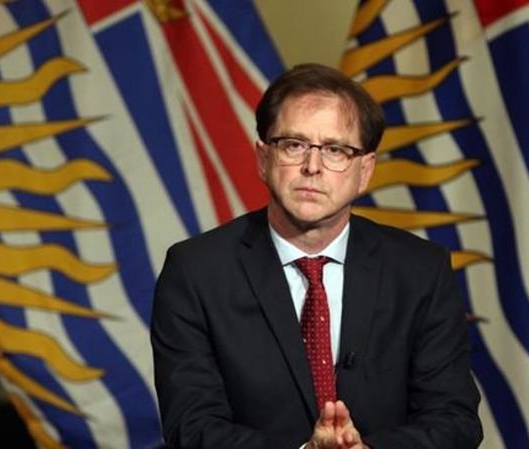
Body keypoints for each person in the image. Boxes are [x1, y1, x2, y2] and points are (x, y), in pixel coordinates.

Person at [151, 63, 482, 449]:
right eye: (294, 145)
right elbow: (191, 425)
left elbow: (454, 419)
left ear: (364, 171)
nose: (312, 167)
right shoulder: (196, 272)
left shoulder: (420, 271)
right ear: (263, 159)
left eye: (335, 150)